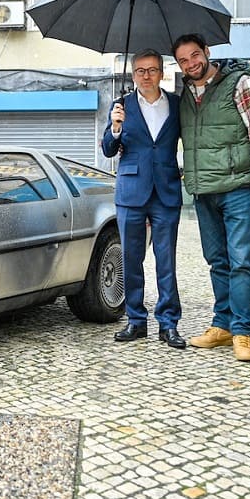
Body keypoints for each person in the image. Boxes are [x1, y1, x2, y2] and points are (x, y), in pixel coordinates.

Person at [173, 33, 250, 363]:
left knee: (241, 261)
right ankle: (222, 325)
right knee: (217, 261)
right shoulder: (186, 94)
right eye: (183, 60)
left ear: (207, 52)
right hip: (204, 191)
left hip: (238, 189)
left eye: (194, 55)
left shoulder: (241, 83)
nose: (190, 64)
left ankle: (243, 331)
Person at [101, 49, 185, 349]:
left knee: (166, 261)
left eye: (151, 70)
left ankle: (168, 323)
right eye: (140, 70)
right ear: (133, 74)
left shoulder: (177, 104)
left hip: (166, 190)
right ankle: (135, 320)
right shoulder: (121, 105)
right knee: (131, 259)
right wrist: (116, 128)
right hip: (131, 191)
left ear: (161, 73)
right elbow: (108, 149)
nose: (146, 76)